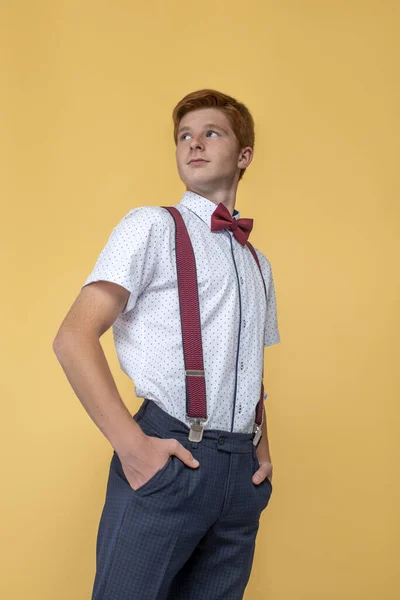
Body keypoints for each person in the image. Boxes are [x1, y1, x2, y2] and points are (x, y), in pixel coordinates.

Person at [53, 88, 280, 600]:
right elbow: (73, 337)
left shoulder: (258, 263)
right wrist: (133, 450)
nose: (193, 144)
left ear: (244, 156)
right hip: (171, 454)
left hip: (239, 474)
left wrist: (261, 453)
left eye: (211, 133)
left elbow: (249, 365)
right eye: (184, 136)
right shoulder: (152, 226)